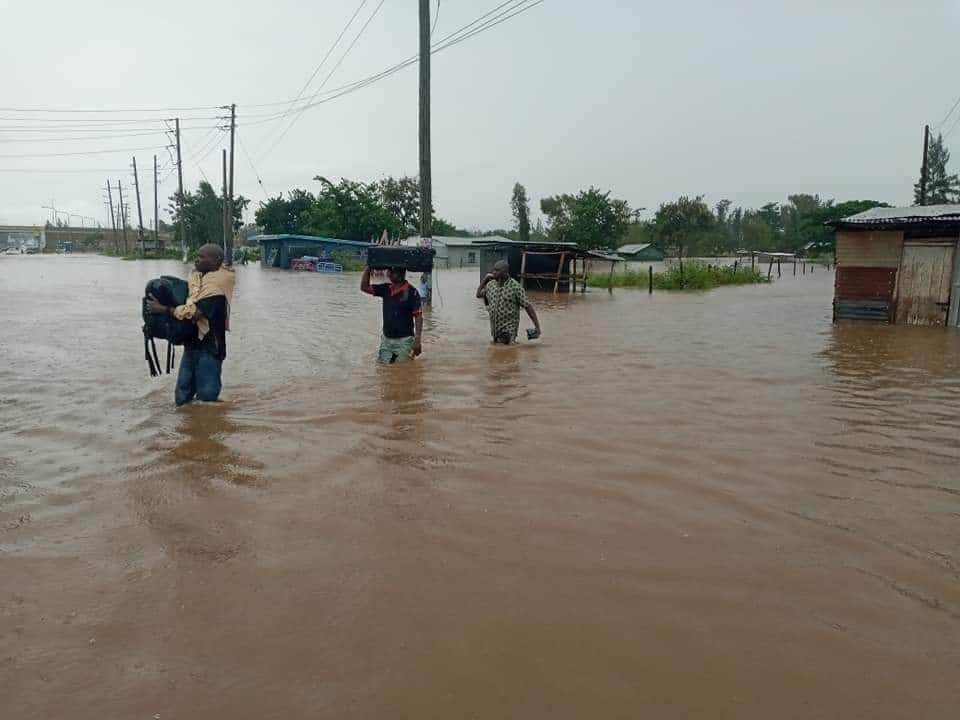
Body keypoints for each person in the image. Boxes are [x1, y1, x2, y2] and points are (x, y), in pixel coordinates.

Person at [146, 244, 235, 406]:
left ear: (217, 261)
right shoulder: (197, 282)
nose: (197, 259)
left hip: (210, 349)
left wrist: (163, 309)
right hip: (192, 346)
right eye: (197, 255)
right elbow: (187, 304)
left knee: (207, 401)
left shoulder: (216, 288)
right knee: (181, 397)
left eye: (202, 257)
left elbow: (196, 312)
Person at [361, 265, 423, 363]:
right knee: (383, 370)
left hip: (404, 341)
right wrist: (368, 269)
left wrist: (418, 339)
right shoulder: (386, 288)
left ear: (400, 275)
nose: (389, 273)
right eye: (389, 271)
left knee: (402, 370)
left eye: (392, 272)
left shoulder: (412, 292)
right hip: (387, 340)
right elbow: (364, 287)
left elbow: (418, 315)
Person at [477, 259, 542, 344]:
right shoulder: (490, 285)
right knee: (497, 350)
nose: (493, 272)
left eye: (496, 270)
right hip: (495, 329)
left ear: (504, 272)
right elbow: (478, 294)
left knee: (507, 350)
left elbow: (527, 306)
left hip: (509, 329)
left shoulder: (515, 287)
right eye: (493, 270)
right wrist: (485, 279)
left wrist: (537, 327)